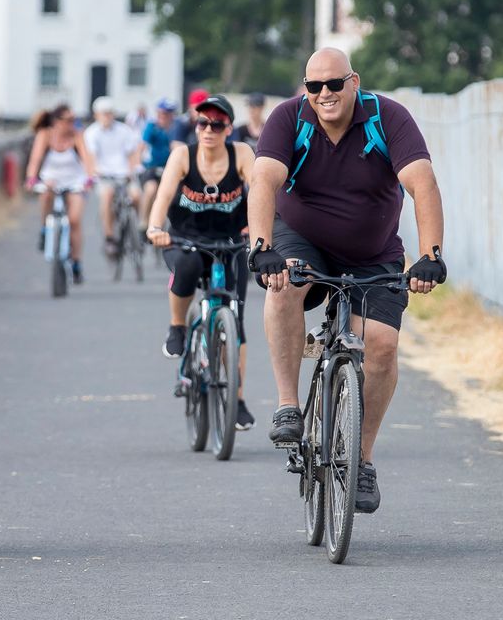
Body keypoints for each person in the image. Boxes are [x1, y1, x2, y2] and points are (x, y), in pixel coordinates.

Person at [247, 47, 447, 513]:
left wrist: (430, 255)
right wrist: (261, 248)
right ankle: (288, 404)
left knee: (381, 347)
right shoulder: (289, 118)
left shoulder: (386, 118)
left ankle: (362, 458)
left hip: (373, 252)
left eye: (334, 84)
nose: (324, 94)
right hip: (301, 239)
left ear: (354, 81)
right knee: (283, 287)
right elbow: (263, 180)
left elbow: (423, 183)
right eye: (314, 86)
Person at [147, 94, 256, 431]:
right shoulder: (183, 156)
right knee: (189, 268)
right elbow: (164, 195)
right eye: (203, 123)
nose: (209, 130)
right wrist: (154, 227)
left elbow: (261, 192)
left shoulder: (241, 154)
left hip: (231, 241)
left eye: (217, 124)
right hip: (185, 238)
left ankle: (236, 399)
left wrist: (260, 227)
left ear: (228, 129)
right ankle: (178, 326)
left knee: (235, 320)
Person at [25, 103, 95, 283]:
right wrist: (32, 178)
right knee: (46, 194)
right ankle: (44, 227)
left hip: (74, 181)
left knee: (74, 220)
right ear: (56, 121)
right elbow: (35, 159)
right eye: (69, 120)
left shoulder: (77, 136)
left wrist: (89, 179)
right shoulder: (45, 135)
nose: (73, 123)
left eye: (74, 119)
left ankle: (77, 262)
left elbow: (87, 160)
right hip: (51, 180)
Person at [83, 96, 144, 258]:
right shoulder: (92, 133)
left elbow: (132, 153)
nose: (106, 117)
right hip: (104, 175)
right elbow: (91, 156)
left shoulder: (124, 130)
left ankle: (141, 227)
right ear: (96, 115)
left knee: (137, 196)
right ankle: (109, 237)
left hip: (124, 174)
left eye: (109, 113)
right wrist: (95, 171)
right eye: (103, 113)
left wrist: (133, 169)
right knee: (107, 196)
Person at [140, 98, 177, 237]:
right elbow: (143, 145)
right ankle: (143, 221)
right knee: (151, 189)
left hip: (171, 168)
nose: (164, 116)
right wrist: (138, 163)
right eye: (162, 113)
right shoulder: (152, 127)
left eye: (168, 113)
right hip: (152, 167)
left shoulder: (175, 127)